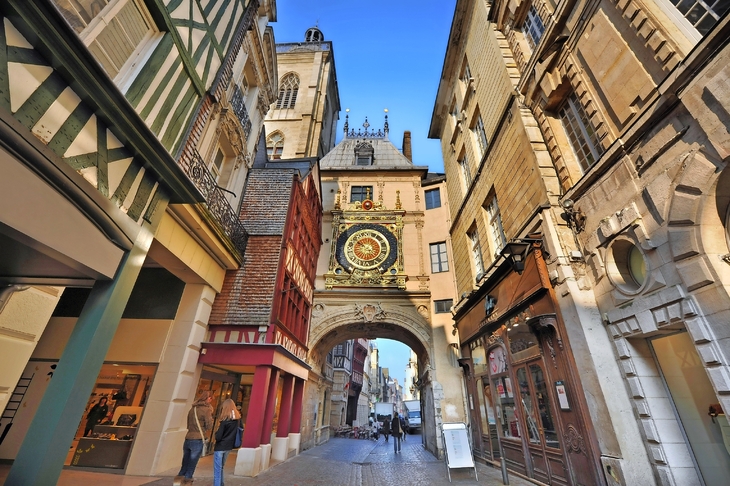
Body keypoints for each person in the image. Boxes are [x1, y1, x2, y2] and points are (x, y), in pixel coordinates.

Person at [175, 391, 214, 485]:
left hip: (188, 437)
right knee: (193, 462)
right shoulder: (206, 410)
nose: (211, 401)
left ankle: (177, 481)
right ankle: (187, 480)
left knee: (185, 461)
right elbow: (209, 425)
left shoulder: (193, 408)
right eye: (211, 398)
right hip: (198, 438)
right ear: (208, 398)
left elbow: (188, 423)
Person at [213, 398, 241, 486]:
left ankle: (217, 484)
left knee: (217, 469)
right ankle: (221, 483)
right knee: (221, 467)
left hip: (220, 446)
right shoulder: (237, 420)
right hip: (229, 446)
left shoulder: (224, 421)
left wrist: (216, 433)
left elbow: (219, 436)